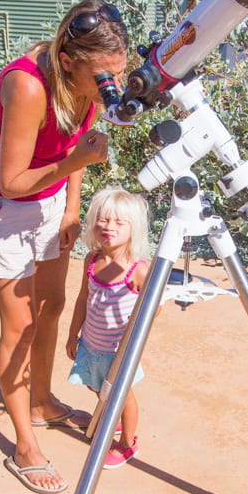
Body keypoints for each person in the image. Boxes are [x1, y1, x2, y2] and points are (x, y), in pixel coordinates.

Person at [0, 0, 129, 494]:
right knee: (21, 323)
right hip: (1, 206)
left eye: (116, 76)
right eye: (103, 76)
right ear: (68, 61)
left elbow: (73, 148)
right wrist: (72, 163)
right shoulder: (29, 86)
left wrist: (72, 208)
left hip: (51, 199)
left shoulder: (90, 81)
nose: (110, 87)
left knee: (52, 305)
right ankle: (23, 445)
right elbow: (11, 181)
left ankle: (40, 401)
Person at [66, 188, 151, 469]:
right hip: (92, 345)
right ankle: (106, 418)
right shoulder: (92, 260)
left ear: (133, 229)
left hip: (119, 352)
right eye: (103, 220)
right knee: (96, 386)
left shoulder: (138, 270)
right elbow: (83, 298)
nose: (108, 227)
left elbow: (154, 307)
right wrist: (72, 334)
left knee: (122, 396)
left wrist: (134, 336)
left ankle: (128, 443)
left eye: (118, 223)